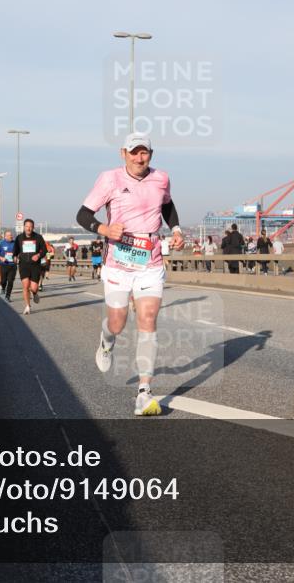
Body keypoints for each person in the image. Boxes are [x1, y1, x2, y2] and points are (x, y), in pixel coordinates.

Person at [76, 132, 185, 416]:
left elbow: (167, 206)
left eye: (144, 152)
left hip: (150, 259)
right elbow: (83, 214)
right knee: (117, 322)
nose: (140, 157)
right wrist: (103, 229)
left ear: (151, 153)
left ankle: (144, 392)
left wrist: (175, 230)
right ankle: (106, 341)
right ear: (123, 153)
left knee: (148, 320)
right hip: (118, 261)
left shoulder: (161, 178)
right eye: (134, 152)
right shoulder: (109, 179)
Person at [15, 219, 47, 314]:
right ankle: (28, 306)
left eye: (30, 226)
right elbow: (15, 251)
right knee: (25, 286)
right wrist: (15, 257)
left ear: (33, 227)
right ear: (24, 227)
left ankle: (34, 293)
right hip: (23, 265)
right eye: (27, 226)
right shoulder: (19, 238)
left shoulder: (38, 237)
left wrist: (38, 255)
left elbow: (44, 250)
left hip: (35, 266)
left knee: (33, 288)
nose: (28, 228)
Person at [0, 230, 17, 301]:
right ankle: (3, 287)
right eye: (9, 235)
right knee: (3, 281)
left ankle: (8, 296)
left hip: (13, 265)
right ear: (5, 236)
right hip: (4, 264)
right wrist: (1, 258)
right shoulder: (2, 243)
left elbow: (19, 252)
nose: (11, 236)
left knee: (10, 281)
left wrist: (17, 257)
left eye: (11, 235)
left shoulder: (15, 243)